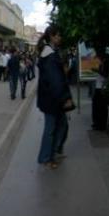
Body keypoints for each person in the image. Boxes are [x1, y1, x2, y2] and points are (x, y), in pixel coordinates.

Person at [37, 26, 71, 170]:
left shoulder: (51, 53)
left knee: (62, 125)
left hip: (52, 98)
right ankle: (46, 157)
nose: (60, 38)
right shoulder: (50, 55)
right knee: (51, 128)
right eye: (58, 35)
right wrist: (65, 98)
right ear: (51, 36)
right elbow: (55, 81)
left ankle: (54, 151)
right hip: (52, 99)